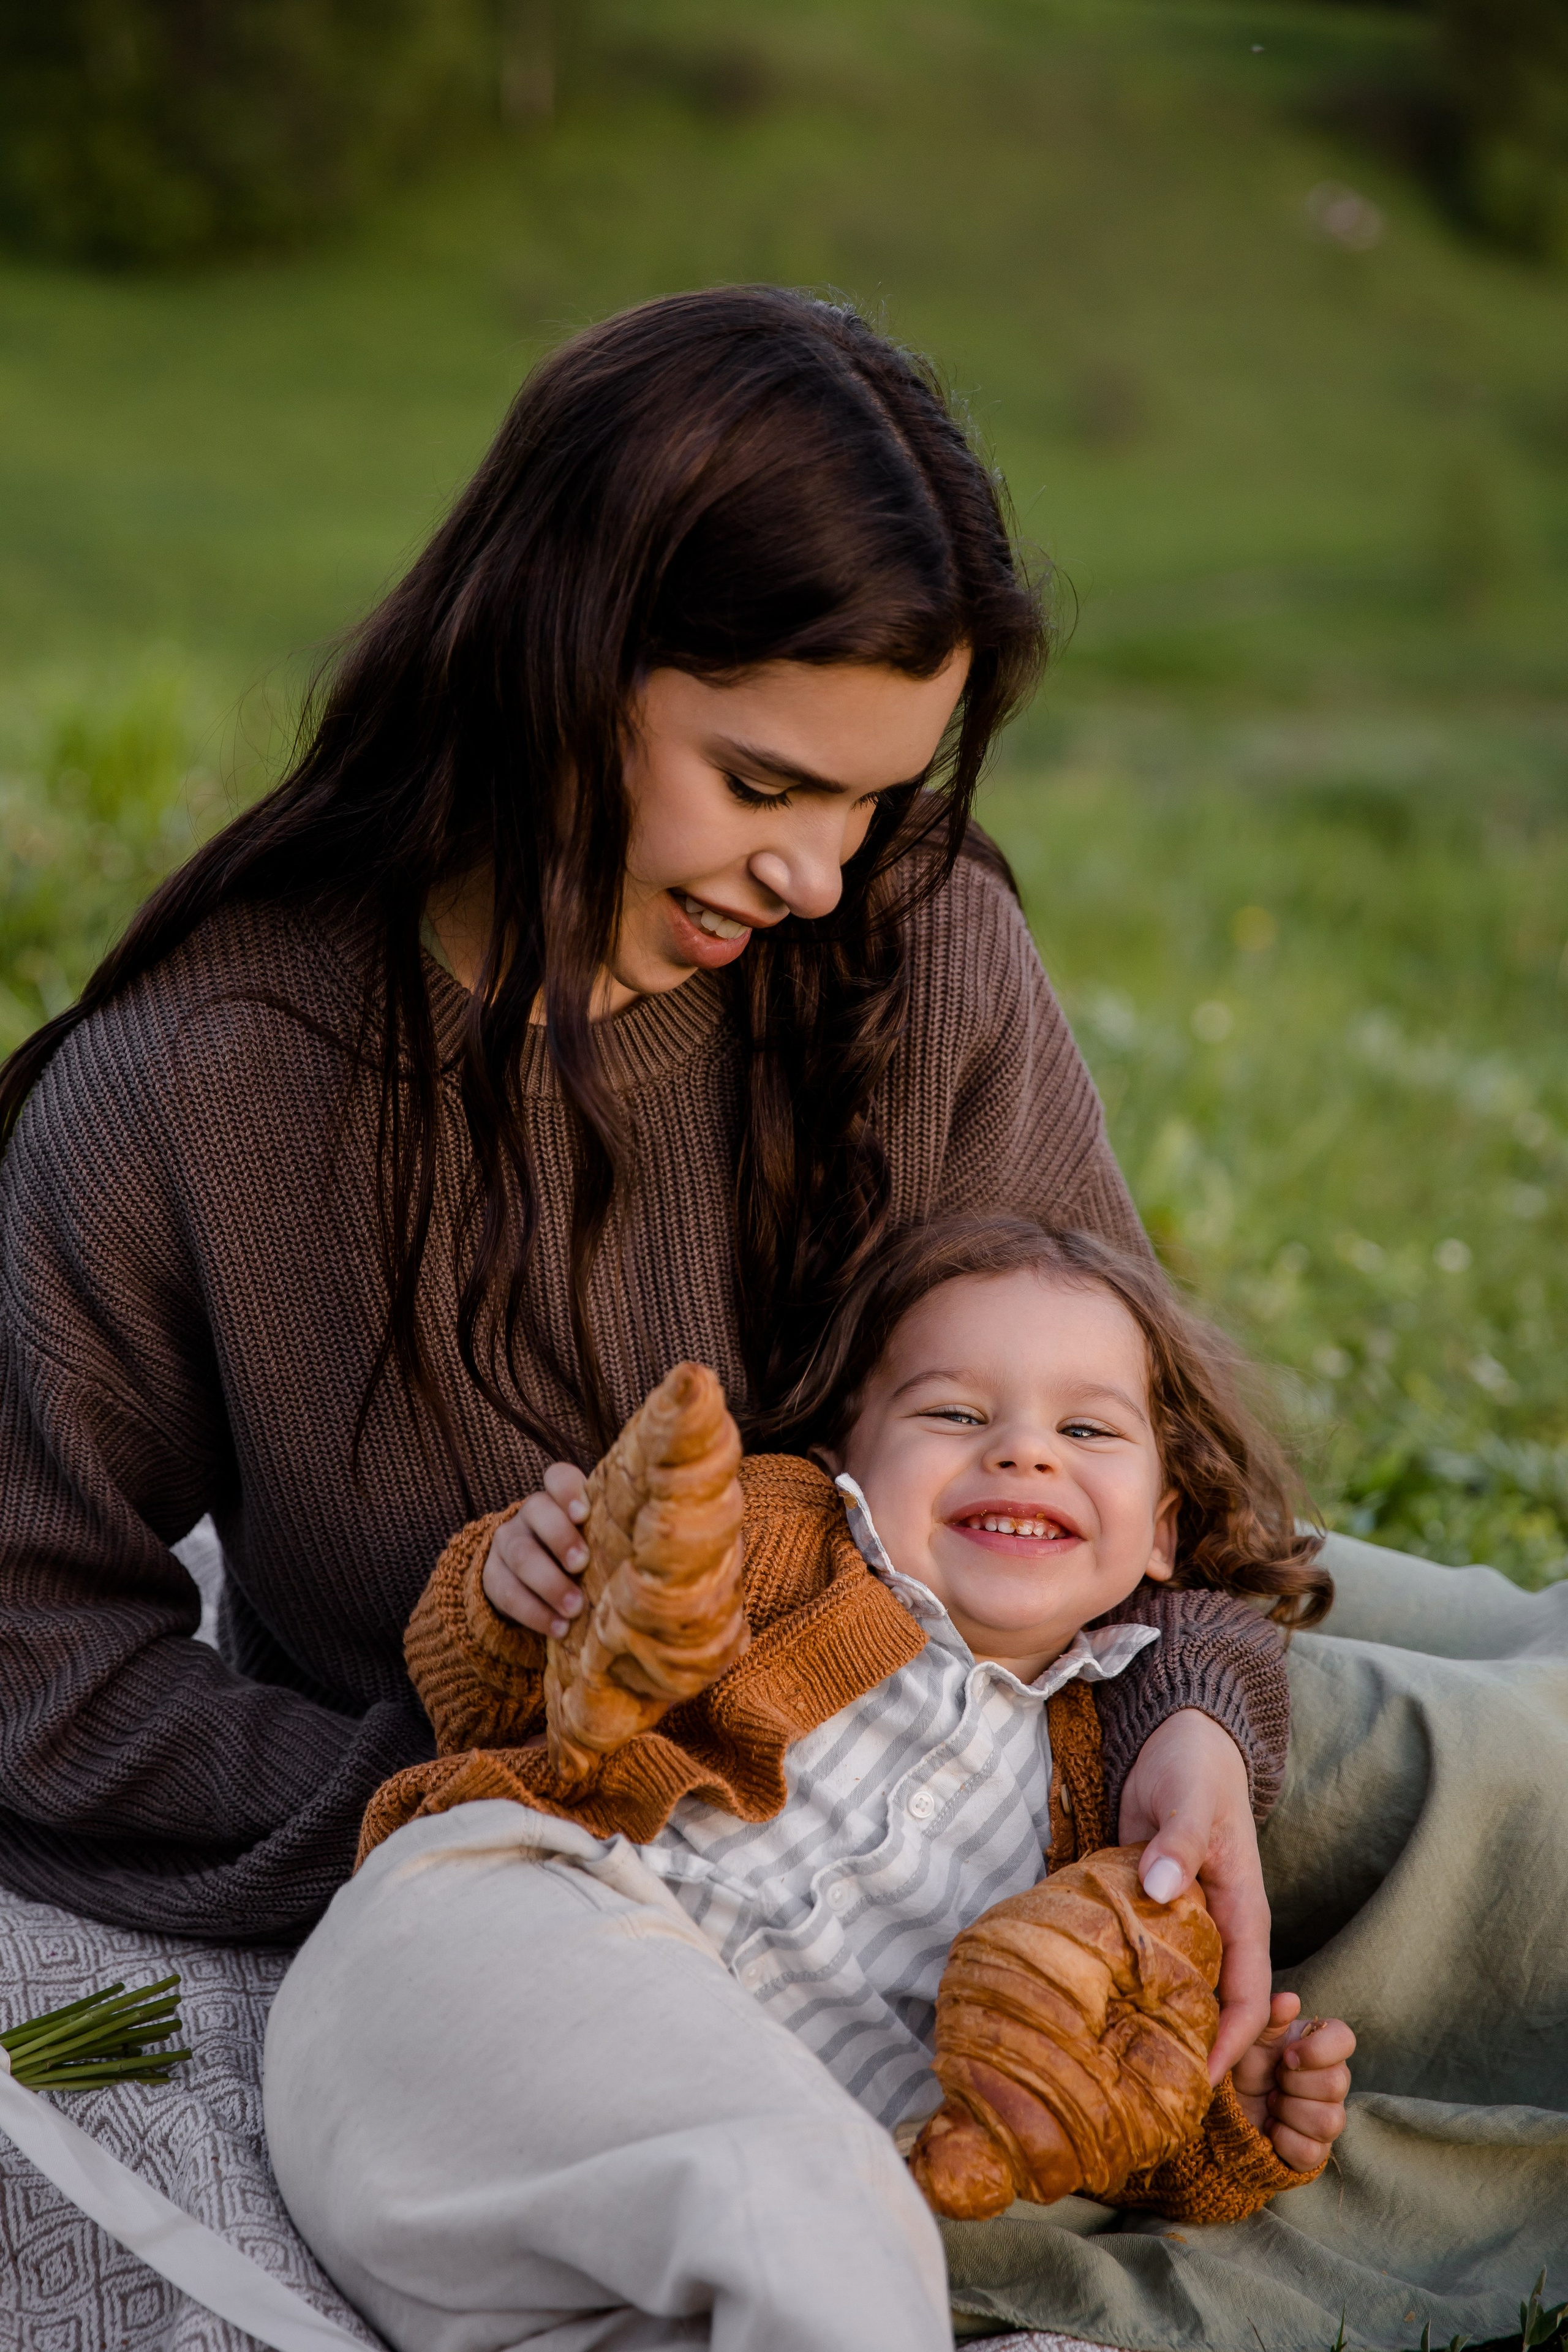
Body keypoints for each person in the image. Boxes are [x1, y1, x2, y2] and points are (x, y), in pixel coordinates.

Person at [0, 288, 1278, 2027]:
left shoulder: (926, 952)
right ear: (555, 663)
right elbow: (37, 1655)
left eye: (868, 805)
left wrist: (1195, 1720)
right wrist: (488, 1831)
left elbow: (1159, 1473)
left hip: (1036, 1809)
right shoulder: (196, 1091)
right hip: (578, 1949)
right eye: (761, 785)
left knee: (1497, 1750)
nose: (820, 875)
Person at [264, 1213, 1354, 2352]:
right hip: (499, 1958)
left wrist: (1233, 2118)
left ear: (1164, 1531)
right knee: (818, 2216)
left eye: (1087, 1427)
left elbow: (1084, 2089)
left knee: (835, 2246)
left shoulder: (1110, 1797)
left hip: (652, 2208)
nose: (1025, 1452)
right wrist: (516, 1590)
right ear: (851, 1458)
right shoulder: (785, 1538)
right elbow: (496, 1694)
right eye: (954, 1414)